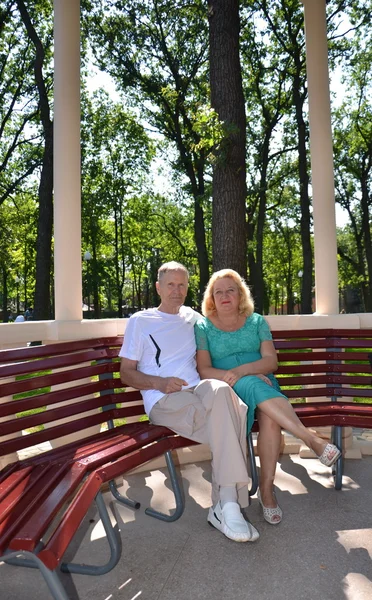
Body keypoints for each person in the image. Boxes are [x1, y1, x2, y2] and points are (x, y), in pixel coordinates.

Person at [119, 261, 259, 543]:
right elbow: (126, 373)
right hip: (166, 399)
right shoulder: (141, 321)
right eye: (170, 284)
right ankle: (227, 504)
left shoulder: (194, 318)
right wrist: (158, 382)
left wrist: (256, 371)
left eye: (182, 284)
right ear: (158, 287)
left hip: (200, 392)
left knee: (221, 392)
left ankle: (225, 507)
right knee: (233, 418)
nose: (177, 290)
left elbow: (230, 339)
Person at [194, 269, 341, 526]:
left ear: (240, 295)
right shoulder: (203, 326)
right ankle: (310, 439)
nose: (225, 295)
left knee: (271, 419)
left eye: (231, 290)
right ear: (211, 299)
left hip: (262, 381)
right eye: (219, 292)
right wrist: (239, 376)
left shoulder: (256, 321)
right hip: (229, 388)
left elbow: (271, 361)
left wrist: (245, 370)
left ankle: (267, 489)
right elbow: (204, 369)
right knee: (252, 385)